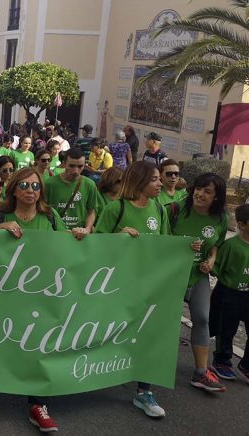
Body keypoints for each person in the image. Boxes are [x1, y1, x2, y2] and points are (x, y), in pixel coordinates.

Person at [95, 160, 185, 419]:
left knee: (148, 334)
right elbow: (96, 245)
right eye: (155, 179)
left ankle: (144, 391)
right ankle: (92, 372)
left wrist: (186, 250)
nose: (161, 184)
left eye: (160, 179)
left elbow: (165, 245)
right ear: (139, 181)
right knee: (108, 331)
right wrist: (118, 236)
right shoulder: (117, 208)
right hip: (116, 286)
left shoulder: (159, 209)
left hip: (148, 287)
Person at [0, 166, 68, 433]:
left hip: (41, 295)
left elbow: (66, 249)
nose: (30, 191)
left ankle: (38, 405)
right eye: (24, 186)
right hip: (5, 293)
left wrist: (78, 237)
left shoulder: (51, 217)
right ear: (14, 189)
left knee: (39, 348)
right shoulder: (1, 213)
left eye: (35, 186)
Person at [169, 174, 228, 391]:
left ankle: (201, 373)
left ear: (216, 197)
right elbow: (159, 240)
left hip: (198, 275)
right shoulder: (175, 209)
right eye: (199, 189)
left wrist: (211, 260)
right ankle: (150, 367)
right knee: (165, 321)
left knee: (203, 318)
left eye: (208, 191)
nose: (200, 194)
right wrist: (181, 247)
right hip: (171, 276)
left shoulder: (220, 217)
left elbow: (216, 244)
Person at [210, 204, 249, 382]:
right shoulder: (231, 245)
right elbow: (216, 269)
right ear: (241, 224)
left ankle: (246, 365)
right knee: (226, 330)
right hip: (229, 293)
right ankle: (222, 361)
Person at [43, 147, 97, 237]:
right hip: (55, 235)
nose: (76, 171)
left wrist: (87, 229)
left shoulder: (90, 185)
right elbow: (42, 209)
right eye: (71, 166)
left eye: (80, 166)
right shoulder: (49, 184)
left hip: (79, 236)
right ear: (64, 164)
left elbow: (91, 211)